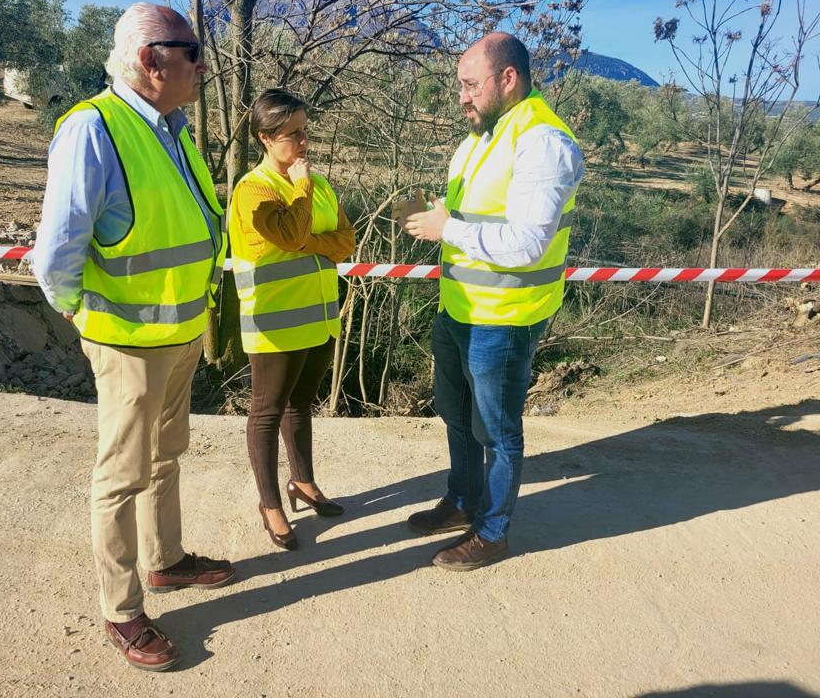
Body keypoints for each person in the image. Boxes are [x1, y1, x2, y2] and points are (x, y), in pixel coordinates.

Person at [33, 3, 235, 672]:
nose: (202, 65)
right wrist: (75, 309)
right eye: (192, 52)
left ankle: (165, 560)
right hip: (127, 340)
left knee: (165, 454)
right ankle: (121, 610)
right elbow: (56, 250)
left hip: (179, 333)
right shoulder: (94, 128)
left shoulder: (171, 129)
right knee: (120, 475)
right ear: (152, 60)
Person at [401, 32, 584, 571]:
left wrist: (449, 229)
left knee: (498, 432)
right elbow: (476, 214)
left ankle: (493, 532)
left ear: (508, 78)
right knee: (456, 414)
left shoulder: (543, 142)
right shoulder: (483, 136)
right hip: (459, 309)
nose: (462, 96)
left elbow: (528, 244)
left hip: (504, 318)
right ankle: (463, 500)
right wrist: (439, 214)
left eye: (471, 84)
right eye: (460, 85)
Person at [228, 88, 356, 550]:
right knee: (266, 413)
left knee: (301, 405)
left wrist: (309, 242)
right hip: (274, 322)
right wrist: (301, 194)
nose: (304, 142)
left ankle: (303, 482)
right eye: (292, 134)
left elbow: (346, 241)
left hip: (319, 318)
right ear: (265, 138)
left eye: (305, 131)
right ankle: (270, 505)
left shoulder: (318, 185)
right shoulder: (253, 190)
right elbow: (287, 233)